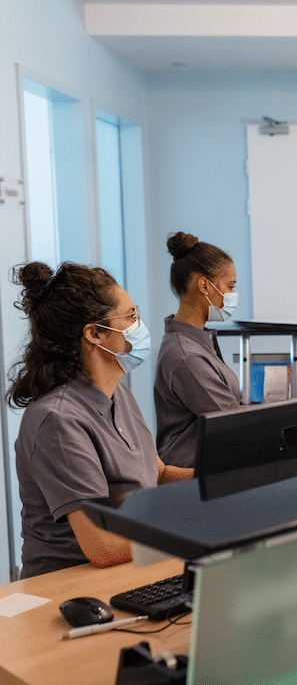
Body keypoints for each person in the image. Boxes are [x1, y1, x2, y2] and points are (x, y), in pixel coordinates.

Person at [9, 262, 193, 579]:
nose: (140, 325)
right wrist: (197, 525)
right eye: (131, 317)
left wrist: (231, 478)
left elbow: (157, 474)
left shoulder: (118, 395)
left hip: (128, 568)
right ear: (94, 334)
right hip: (70, 586)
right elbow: (103, 547)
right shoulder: (57, 419)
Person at [155, 232, 240, 467]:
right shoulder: (186, 355)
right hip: (190, 476)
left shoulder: (198, 342)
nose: (232, 296)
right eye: (230, 286)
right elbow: (235, 422)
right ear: (204, 285)